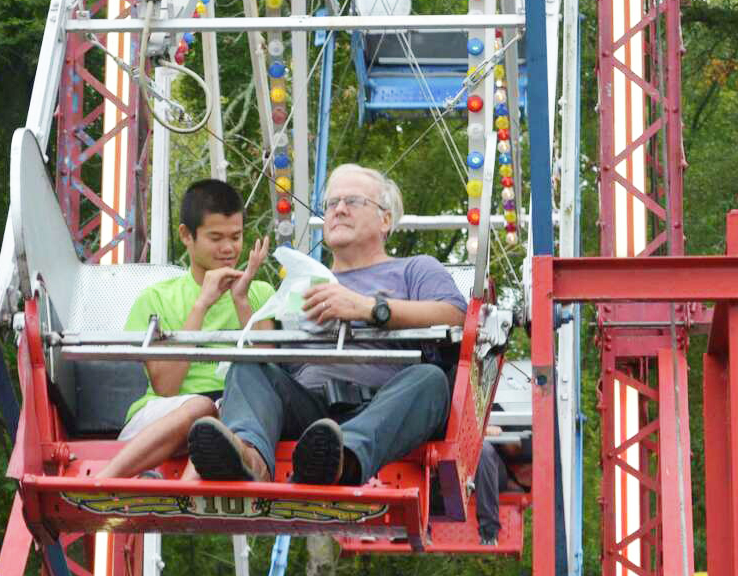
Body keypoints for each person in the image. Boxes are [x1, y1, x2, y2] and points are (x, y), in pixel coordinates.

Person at [186, 163, 468, 485]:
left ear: (385, 219)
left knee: (430, 381)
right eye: (332, 204)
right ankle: (249, 458)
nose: (340, 210)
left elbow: (455, 315)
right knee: (246, 367)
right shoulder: (302, 281)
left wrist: (369, 308)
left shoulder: (414, 269)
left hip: (379, 404)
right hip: (307, 403)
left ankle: (340, 459)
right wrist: (242, 302)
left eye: (354, 202)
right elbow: (269, 359)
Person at [96, 179, 274, 479]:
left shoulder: (261, 294)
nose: (229, 248)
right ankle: (104, 480)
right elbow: (166, 387)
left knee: (221, 416)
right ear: (186, 236)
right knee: (204, 409)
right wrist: (201, 304)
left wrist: (241, 300)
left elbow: (269, 375)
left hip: (228, 419)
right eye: (216, 238)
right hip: (163, 417)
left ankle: (186, 496)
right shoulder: (156, 298)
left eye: (236, 236)